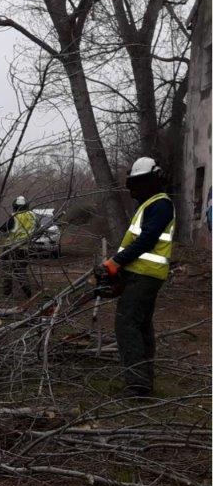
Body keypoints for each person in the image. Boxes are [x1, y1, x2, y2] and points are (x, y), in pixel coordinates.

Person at [96, 157, 175, 397]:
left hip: (145, 274)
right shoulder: (150, 204)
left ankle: (138, 384)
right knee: (140, 325)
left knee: (127, 324)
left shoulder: (160, 204)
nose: (134, 189)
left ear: (151, 180)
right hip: (139, 273)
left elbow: (147, 240)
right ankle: (144, 379)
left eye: (138, 183)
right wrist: (118, 270)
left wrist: (116, 262)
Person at [0, 195, 37, 299]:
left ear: (15, 206)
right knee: (21, 271)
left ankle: (7, 294)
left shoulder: (15, 217)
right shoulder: (33, 216)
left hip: (10, 247)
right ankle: (27, 292)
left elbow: (3, 229)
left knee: (7, 270)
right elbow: (37, 229)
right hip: (25, 248)